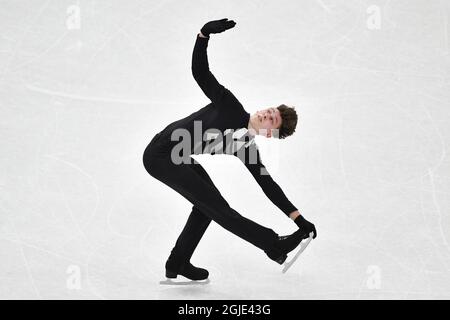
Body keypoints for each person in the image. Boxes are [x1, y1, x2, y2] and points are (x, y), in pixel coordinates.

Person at [143, 18, 317, 281]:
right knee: (220, 209)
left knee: (206, 207)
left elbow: (268, 185)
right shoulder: (230, 106)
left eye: (272, 119)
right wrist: (203, 35)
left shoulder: (246, 146)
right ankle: (273, 245)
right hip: (160, 153)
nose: (266, 114)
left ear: (270, 133)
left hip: (177, 157)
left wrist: (298, 219)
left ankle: (178, 261)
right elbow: (201, 74)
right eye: (270, 111)